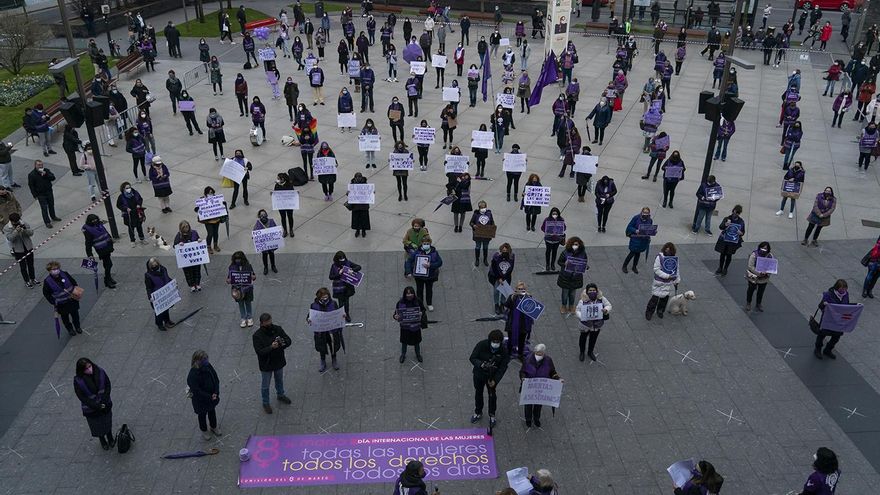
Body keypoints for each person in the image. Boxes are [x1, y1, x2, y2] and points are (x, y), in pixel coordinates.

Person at [252, 313, 293, 413]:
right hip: (266, 364)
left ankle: (280, 394)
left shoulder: (277, 329)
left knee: (279, 379)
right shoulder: (257, 336)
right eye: (267, 322)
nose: (269, 323)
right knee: (265, 385)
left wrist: (282, 343)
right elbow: (259, 351)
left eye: (270, 321)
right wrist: (271, 347)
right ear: (262, 323)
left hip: (278, 360)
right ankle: (265, 402)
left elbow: (288, 340)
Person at [469, 329, 509, 428]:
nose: (495, 344)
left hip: (492, 377)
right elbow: (472, 358)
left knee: (492, 396)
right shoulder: (481, 345)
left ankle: (492, 415)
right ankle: (478, 412)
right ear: (490, 340)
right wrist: (481, 364)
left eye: (498, 342)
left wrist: (495, 380)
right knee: (478, 393)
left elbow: (503, 367)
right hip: (479, 374)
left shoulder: (503, 351)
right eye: (494, 342)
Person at [73, 358, 114, 450]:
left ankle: (110, 436)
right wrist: (95, 405)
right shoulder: (78, 381)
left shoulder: (100, 372)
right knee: (97, 426)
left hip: (105, 404)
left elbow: (107, 385)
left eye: (90, 366)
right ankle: (102, 439)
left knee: (107, 421)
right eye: (86, 369)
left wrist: (104, 400)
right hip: (92, 409)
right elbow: (82, 397)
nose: (89, 369)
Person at [519, 343, 561, 428]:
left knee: (538, 405)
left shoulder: (548, 360)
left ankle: (536, 418)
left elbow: (552, 372)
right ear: (534, 352)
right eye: (537, 353)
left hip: (541, 389)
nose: (539, 355)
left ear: (544, 353)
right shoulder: (527, 360)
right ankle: (528, 419)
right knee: (528, 405)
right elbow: (522, 371)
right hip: (530, 388)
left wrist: (558, 379)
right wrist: (523, 378)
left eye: (540, 354)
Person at [186, 350, 222, 441]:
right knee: (202, 415)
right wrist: (210, 396)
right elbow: (197, 391)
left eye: (206, 358)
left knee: (212, 411)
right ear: (197, 360)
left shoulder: (208, 366)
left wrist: (216, 392)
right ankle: (204, 430)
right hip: (201, 400)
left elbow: (216, 379)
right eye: (203, 359)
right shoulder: (193, 375)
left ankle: (214, 427)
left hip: (212, 396)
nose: (206, 360)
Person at [308, 288, 345, 371]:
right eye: (323, 297)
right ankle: (322, 360)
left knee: (333, 346)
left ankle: (334, 359)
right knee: (322, 348)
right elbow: (309, 316)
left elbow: (338, 314)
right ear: (319, 297)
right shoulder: (314, 305)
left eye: (326, 296)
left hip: (332, 332)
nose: (325, 299)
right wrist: (309, 320)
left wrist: (342, 316)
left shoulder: (333, 303)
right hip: (321, 333)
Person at [815, 279, 853, 360]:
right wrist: (824, 304)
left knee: (836, 337)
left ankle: (828, 350)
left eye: (845, 288)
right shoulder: (828, 295)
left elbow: (847, 306)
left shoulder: (846, 295)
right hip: (828, 320)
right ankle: (817, 349)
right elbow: (820, 306)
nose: (843, 290)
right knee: (822, 335)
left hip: (839, 321)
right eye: (842, 289)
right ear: (837, 287)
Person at [43, 261, 82, 336]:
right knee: (65, 318)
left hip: (72, 300)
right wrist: (54, 301)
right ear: (49, 271)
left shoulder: (65, 274)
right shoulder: (47, 281)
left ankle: (77, 327)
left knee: (75, 315)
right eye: (53, 269)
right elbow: (46, 293)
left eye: (57, 268)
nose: (56, 270)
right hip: (61, 304)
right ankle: (70, 329)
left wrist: (76, 292)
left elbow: (73, 282)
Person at [575, 283, 612, 361]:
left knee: (593, 339)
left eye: (594, 290)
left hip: (597, 325)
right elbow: (577, 310)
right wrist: (582, 316)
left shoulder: (601, 299)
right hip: (585, 325)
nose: (592, 292)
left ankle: (590, 352)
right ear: (587, 292)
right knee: (583, 339)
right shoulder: (582, 300)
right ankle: (582, 352)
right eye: (590, 290)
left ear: (596, 290)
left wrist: (606, 309)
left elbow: (609, 305)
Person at [647, 242, 680, 320]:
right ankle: (649, 312)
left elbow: (676, 270)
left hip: (669, 283)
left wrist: (677, 279)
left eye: (669, 251)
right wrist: (667, 276)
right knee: (654, 299)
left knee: (664, 299)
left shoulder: (674, 258)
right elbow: (656, 269)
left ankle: (660, 311)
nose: (667, 252)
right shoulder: (659, 257)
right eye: (666, 250)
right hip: (660, 282)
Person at [82, 214, 116, 289]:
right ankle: (107, 280)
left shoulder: (99, 224)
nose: (95, 221)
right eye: (93, 220)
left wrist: (110, 238)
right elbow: (88, 243)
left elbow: (105, 232)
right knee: (108, 264)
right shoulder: (88, 231)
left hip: (107, 246)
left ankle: (108, 278)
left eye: (95, 219)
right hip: (101, 249)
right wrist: (90, 254)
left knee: (108, 264)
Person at [4, 212, 37, 287]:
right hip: (18, 250)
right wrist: (16, 231)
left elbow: (31, 233)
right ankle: (27, 281)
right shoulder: (6, 228)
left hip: (28, 247)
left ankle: (33, 278)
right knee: (23, 267)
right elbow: (10, 238)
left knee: (31, 264)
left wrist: (24, 230)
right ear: (11, 221)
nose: (17, 223)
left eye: (18, 221)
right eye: (15, 222)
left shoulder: (23, 223)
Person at [394, 286, 426, 363]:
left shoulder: (418, 301)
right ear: (405, 294)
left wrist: (421, 313)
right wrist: (395, 316)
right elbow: (396, 314)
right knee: (404, 342)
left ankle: (418, 354)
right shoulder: (400, 302)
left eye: (411, 293)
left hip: (416, 327)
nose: (409, 295)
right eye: (407, 293)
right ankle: (403, 354)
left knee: (417, 342)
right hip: (405, 328)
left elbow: (423, 309)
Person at [557, 237, 588, 314]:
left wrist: (585, 266)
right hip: (565, 277)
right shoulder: (565, 252)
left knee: (572, 293)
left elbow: (584, 262)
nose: (575, 246)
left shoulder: (583, 253)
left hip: (576, 277)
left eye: (577, 244)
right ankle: (563, 306)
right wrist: (565, 264)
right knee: (565, 293)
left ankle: (571, 306)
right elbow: (559, 262)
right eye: (574, 244)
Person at [410, 235, 442, 310]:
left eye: (427, 243)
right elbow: (409, 261)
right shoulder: (417, 252)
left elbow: (440, 262)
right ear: (421, 243)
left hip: (430, 276)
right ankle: (420, 304)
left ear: (430, 243)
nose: (426, 245)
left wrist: (431, 265)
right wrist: (409, 271)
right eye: (424, 243)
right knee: (419, 291)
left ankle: (429, 303)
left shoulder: (434, 252)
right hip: (419, 276)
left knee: (429, 290)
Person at [328, 251, 361, 322]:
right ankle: (341, 314)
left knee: (346, 303)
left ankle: (347, 314)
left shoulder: (348, 263)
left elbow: (359, 267)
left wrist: (352, 270)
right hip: (339, 288)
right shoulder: (334, 266)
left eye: (343, 258)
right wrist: (339, 274)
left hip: (347, 288)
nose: (342, 260)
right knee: (341, 303)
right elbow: (331, 277)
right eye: (340, 259)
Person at [504, 281, 533, 359]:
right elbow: (507, 306)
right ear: (516, 289)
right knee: (510, 339)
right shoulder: (512, 297)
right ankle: (509, 353)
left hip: (524, 324)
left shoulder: (528, 297)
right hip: (512, 323)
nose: (521, 290)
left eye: (523, 289)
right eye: (519, 289)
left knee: (522, 340)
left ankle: (520, 354)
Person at [27, 160, 61, 229]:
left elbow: (53, 178)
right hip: (41, 194)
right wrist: (35, 195)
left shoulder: (46, 170)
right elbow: (31, 186)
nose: (40, 166)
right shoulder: (32, 174)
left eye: (41, 165)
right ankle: (47, 222)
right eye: (39, 165)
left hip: (48, 191)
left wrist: (46, 174)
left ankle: (53, 216)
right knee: (44, 208)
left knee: (51, 205)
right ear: (35, 165)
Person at [145, 258, 176, 331]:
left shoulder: (163, 269)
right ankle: (159, 324)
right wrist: (150, 297)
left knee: (166, 308)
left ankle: (167, 320)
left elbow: (167, 278)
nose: (155, 266)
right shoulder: (148, 276)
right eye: (153, 265)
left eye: (156, 264)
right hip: (157, 296)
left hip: (165, 294)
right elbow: (148, 287)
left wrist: (173, 283)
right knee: (159, 311)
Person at [715, 205, 745, 276]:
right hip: (725, 239)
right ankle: (720, 267)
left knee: (729, 255)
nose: (734, 215)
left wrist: (740, 233)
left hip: (733, 241)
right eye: (734, 213)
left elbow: (743, 232)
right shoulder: (727, 218)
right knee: (722, 254)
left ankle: (725, 268)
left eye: (736, 213)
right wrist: (725, 224)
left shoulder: (741, 221)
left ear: (739, 213)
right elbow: (721, 227)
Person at [228, 252, 256, 328]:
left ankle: (249, 317)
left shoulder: (248, 266)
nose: (238, 260)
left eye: (239, 259)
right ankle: (243, 318)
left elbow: (254, 275)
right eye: (236, 259)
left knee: (248, 303)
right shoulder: (231, 267)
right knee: (240, 304)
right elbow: (228, 278)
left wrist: (253, 277)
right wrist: (229, 280)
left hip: (247, 289)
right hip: (237, 290)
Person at [174, 221, 202, 292]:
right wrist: (178, 244)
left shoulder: (194, 233)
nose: (186, 228)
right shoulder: (179, 235)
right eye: (184, 227)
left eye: (187, 226)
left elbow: (198, 239)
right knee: (188, 272)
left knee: (197, 270)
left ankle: (197, 283)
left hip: (195, 258)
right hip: (186, 260)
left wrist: (199, 240)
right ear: (181, 228)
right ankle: (192, 285)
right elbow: (175, 246)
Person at [195, 186, 225, 254]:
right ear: (206, 193)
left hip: (216, 219)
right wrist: (197, 209)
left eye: (212, 192)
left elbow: (220, 206)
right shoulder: (202, 200)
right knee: (210, 233)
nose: (210, 194)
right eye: (209, 193)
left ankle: (215, 245)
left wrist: (223, 204)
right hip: (208, 221)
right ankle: (208, 247)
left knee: (216, 233)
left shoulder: (217, 199)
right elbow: (198, 209)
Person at [623, 207, 653, 273]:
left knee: (638, 254)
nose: (645, 214)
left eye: (647, 213)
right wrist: (635, 230)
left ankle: (634, 266)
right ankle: (624, 266)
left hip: (643, 240)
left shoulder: (650, 220)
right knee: (632, 253)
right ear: (641, 212)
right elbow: (629, 227)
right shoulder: (636, 218)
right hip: (635, 239)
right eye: (644, 212)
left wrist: (652, 233)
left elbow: (649, 229)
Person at [116, 181, 146, 248]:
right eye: (127, 188)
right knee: (131, 228)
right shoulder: (121, 197)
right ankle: (132, 241)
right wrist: (125, 208)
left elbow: (140, 199)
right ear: (123, 189)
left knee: (139, 226)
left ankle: (142, 238)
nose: (129, 189)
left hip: (137, 213)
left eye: (129, 187)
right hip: (129, 215)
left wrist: (139, 204)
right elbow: (118, 205)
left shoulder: (135, 193)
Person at [470, 201, 495, 267]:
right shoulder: (476, 214)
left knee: (485, 247)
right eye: (482, 207)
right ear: (479, 208)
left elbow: (492, 222)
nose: (483, 208)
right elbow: (471, 222)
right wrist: (473, 226)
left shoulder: (489, 214)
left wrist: (492, 229)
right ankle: (477, 259)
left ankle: (485, 259)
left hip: (486, 235)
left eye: (484, 207)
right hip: (478, 235)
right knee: (477, 247)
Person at [254, 210, 278, 275]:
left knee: (271, 254)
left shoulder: (271, 221)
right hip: (264, 244)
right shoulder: (258, 223)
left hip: (271, 243)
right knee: (264, 256)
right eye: (261, 215)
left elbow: (276, 229)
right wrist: (254, 237)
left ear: (267, 215)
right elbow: (255, 232)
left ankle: (273, 266)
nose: (263, 216)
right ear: (259, 216)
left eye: (264, 215)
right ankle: (266, 267)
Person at [348, 172, 371, 237]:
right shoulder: (352, 184)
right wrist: (348, 193)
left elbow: (369, 192)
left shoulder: (365, 184)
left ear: (361, 177)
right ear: (355, 177)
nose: (358, 178)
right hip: (355, 205)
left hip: (363, 205)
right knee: (356, 218)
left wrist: (372, 193)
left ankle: (363, 230)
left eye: (359, 177)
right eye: (357, 177)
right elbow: (349, 194)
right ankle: (357, 230)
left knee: (364, 218)